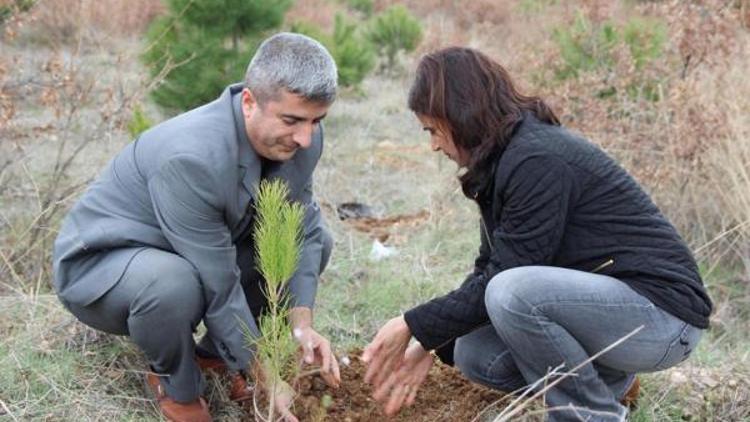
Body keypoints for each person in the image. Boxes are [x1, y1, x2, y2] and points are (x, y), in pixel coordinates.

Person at [362, 47, 713, 421]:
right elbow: (488, 269)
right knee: (474, 353)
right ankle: (612, 386)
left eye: (433, 129)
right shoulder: (501, 161)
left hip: (663, 319)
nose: (433, 144)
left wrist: (411, 324)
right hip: (616, 315)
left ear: (461, 113)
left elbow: (503, 280)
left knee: (511, 292)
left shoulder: (536, 160)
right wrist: (430, 344)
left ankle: (590, 415)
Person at [52, 33, 340, 422]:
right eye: (292, 120)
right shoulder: (192, 158)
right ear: (250, 102)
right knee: (174, 282)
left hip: (191, 252)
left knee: (318, 240)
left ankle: (218, 359)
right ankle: (177, 388)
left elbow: (302, 228)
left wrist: (301, 327)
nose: (305, 138)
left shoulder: (302, 138)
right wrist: (266, 374)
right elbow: (217, 284)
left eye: (315, 121)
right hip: (106, 267)